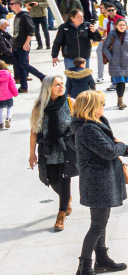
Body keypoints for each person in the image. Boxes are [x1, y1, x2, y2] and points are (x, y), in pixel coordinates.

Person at [70, 90, 128, 275]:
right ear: (91, 107)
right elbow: (109, 151)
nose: (104, 107)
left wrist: (127, 148)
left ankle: (102, 259)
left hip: (103, 179)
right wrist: (123, 146)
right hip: (97, 182)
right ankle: (83, 270)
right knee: (97, 225)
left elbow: (110, 147)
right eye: (101, 104)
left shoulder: (97, 123)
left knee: (101, 223)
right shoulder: (87, 128)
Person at [29, 75, 76, 230]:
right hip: (48, 149)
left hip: (66, 148)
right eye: (57, 84)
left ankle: (61, 215)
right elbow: (34, 131)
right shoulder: (39, 107)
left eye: (62, 83)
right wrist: (32, 153)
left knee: (65, 180)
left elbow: (83, 122)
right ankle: (66, 198)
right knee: (53, 181)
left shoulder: (70, 103)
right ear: (48, 88)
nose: (61, 87)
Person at [10, 0, 44, 92]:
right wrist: (12, 45)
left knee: (24, 65)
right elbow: (16, 32)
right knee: (19, 67)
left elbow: (31, 29)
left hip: (22, 45)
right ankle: (23, 86)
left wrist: (27, 43)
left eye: (12, 4)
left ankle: (42, 76)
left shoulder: (25, 16)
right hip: (16, 44)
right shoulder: (17, 16)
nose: (10, 5)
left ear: (18, 5)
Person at [101, 18, 128, 110]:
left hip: (125, 62)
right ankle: (120, 102)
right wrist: (111, 58)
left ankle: (120, 100)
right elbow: (105, 47)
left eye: (123, 25)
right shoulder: (111, 35)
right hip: (114, 62)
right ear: (116, 26)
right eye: (120, 25)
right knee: (119, 81)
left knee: (123, 82)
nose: (122, 26)